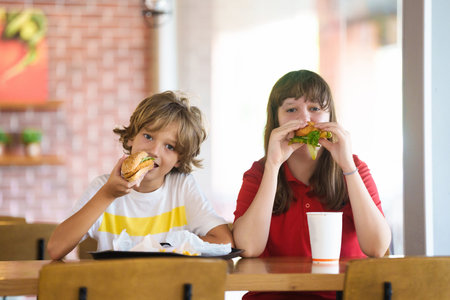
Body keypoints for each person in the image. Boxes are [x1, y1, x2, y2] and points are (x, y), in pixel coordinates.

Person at [232, 70, 391, 300]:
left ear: (330, 117)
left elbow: (377, 247)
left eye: (315, 108)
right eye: (291, 109)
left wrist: (347, 166)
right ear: (275, 119)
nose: (305, 118)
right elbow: (248, 247)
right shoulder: (259, 173)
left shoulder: (354, 167)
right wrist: (274, 165)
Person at [48, 91, 233, 260]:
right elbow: (55, 248)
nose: (154, 151)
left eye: (169, 147)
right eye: (148, 136)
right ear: (131, 137)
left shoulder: (182, 187)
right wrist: (108, 194)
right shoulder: (103, 187)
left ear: (179, 159)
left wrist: (162, 247)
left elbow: (225, 241)